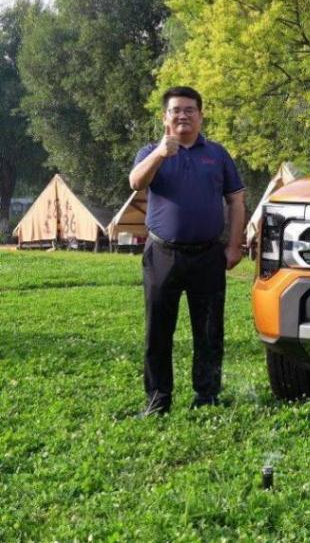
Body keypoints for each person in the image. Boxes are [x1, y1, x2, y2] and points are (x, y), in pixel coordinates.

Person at [129, 86, 245, 416]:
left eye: (190, 109)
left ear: (201, 115)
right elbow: (136, 183)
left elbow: (236, 200)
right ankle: (158, 400)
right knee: (158, 331)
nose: (183, 115)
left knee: (209, 331)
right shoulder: (150, 152)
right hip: (162, 254)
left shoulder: (217, 154)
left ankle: (206, 397)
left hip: (208, 255)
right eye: (176, 110)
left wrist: (234, 246)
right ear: (165, 117)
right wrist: (161, 153)